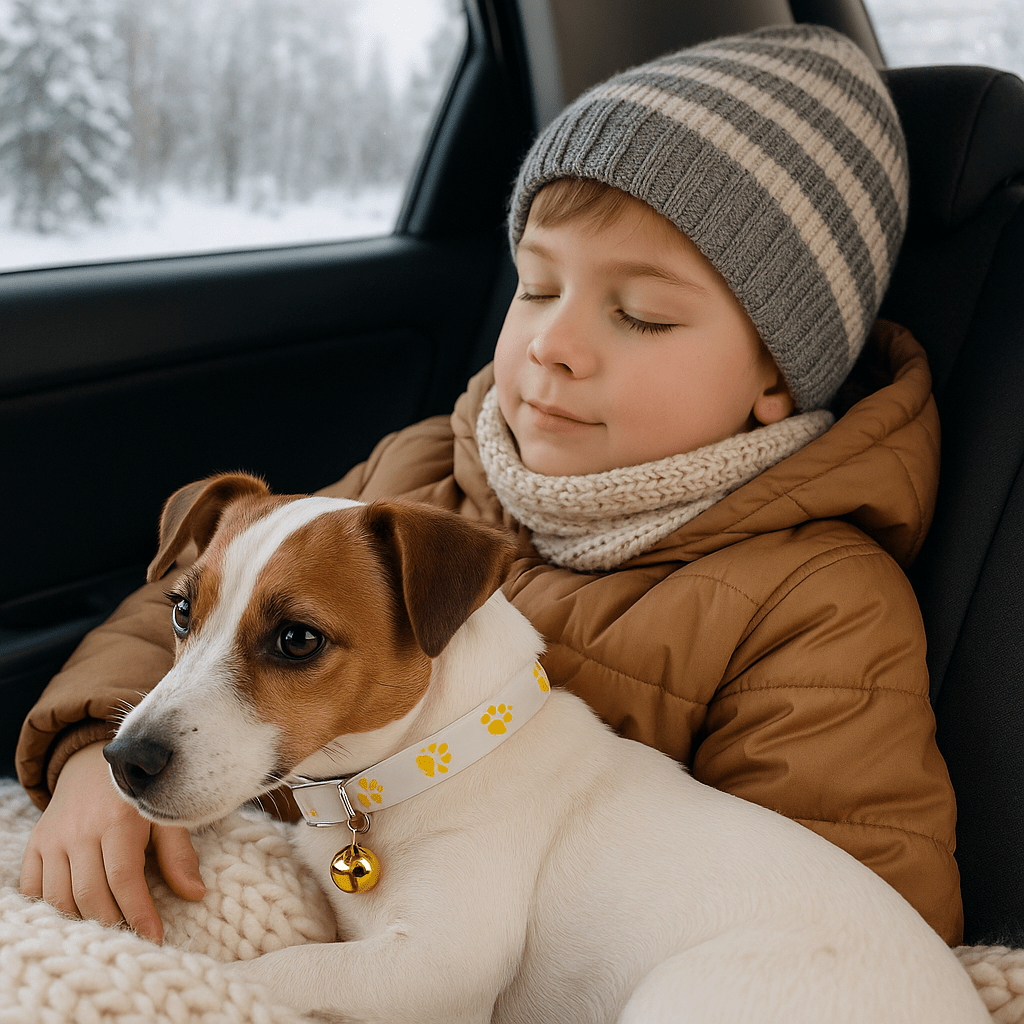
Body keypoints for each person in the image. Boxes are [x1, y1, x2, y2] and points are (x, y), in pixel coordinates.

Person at [17, 25, 962, 947]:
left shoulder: (817, 603)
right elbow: (194, 613)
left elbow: (855, 926)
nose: (554, 343)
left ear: (776, 378)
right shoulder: (423, 468)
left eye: (639, 315)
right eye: (539, 288)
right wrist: (98, 756)